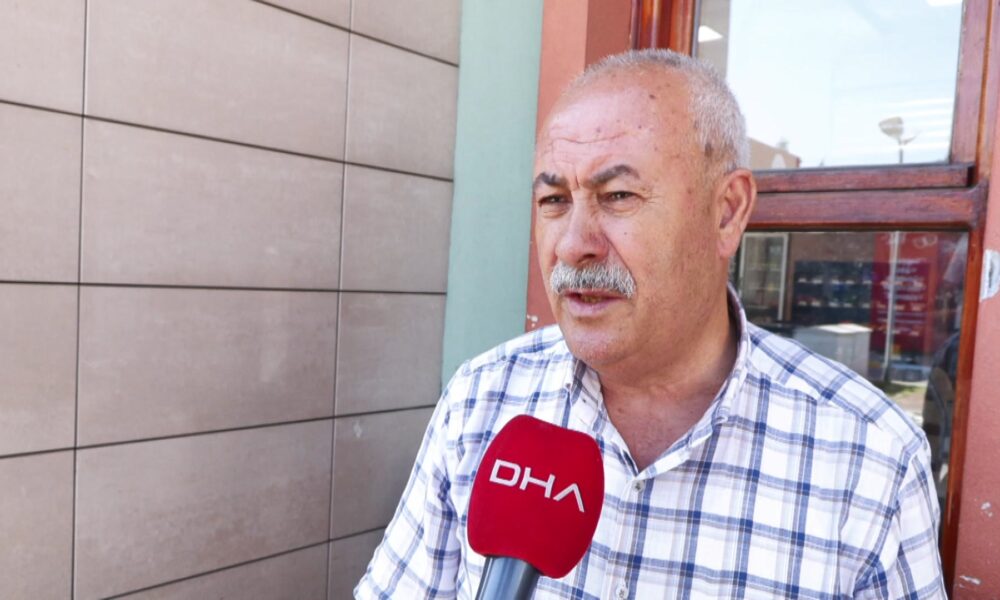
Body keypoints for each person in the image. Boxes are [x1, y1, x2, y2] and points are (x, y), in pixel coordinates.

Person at [356, 49, 944, 599]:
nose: (573, 245)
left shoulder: (870, 458)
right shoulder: (481, 400)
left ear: (727, 211)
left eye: (617, 195)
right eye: (554, 201)